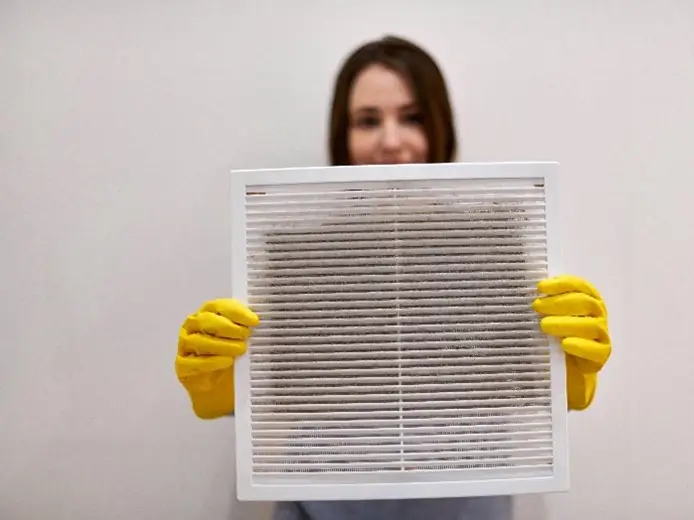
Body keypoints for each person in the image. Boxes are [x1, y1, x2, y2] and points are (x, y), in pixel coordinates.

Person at [174, 35, 612, 520]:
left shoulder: (494, 249)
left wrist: (555, 372)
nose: (390, 141)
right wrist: (224, 382)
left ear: (441, 127)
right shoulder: (299, 256)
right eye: (367, 121)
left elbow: (518, 389)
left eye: (413, 117)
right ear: (342, 135)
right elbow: (276, 394)